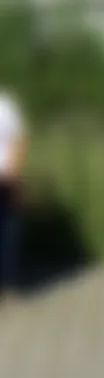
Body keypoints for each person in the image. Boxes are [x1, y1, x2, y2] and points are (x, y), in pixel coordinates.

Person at [0, 92, 23, 294]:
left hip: (4, 179)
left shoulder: (6, 106)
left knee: (7, 231)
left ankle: (8, 281)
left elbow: (18, 141)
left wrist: (14, 174)